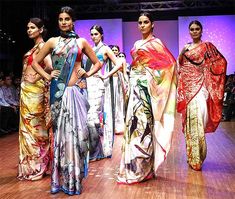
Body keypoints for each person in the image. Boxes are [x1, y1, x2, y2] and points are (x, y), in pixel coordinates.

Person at [32, 6, 102, 195]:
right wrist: (47, 77)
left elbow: (98, 62)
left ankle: (75, 179)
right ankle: (59, 180)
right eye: (61, 19)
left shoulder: (81, 42)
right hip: (58, 95)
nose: (64, 22)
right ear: (58, 22)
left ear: (73, 21)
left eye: (67, 19)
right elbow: (34, 62)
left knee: (78, 137)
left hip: (76, 94)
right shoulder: (52, 42)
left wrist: (87, 73)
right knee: (60, 138)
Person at [102, 12, 177, 184]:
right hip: (134, 88)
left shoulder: (156, 43)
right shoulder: (136, 43)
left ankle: (143, 168)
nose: (142, 25)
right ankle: (132, 166)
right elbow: (134, 65)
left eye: (146, 22)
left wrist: (149, 77)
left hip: (146, 90)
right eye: (140, 22)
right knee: (133, 126)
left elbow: (169, 65)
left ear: (152, 24)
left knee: (143, 127)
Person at [177, 20, 227, 171]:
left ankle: (198, 155)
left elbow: (221, 62)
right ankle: (193, 157)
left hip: (200, 88)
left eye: (197, 29)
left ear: (201, 30)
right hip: (187, 88)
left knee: (198, 120)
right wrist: (181, 53)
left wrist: (207, 72)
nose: (194, 31)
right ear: (189, 31)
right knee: (189, 123)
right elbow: (180, 64)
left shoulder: (207, 46)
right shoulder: (186, 47)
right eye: (191, 29)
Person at [17, 18, 52, 181]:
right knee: (27, 130)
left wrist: (36, 76)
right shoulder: (34, 47)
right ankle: (31, 166)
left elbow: (50, 66)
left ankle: (39, 165)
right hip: (27, 93)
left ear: (41, 29)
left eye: (32, 27)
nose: (29, 30)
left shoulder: (43, 46)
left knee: (36, 129)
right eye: (28, 27)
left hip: (35, 92)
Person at [86, 25, 123, 161]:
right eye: (92, 34)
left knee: (93, 117)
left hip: (97, 85)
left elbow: (119, 64)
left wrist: (106, 75)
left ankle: (97, 152)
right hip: (87, 84)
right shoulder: (90, 48)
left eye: (96, 34)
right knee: (88, 118)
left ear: (101, 35)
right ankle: (95, 151)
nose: (93, 36)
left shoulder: (105, 49)